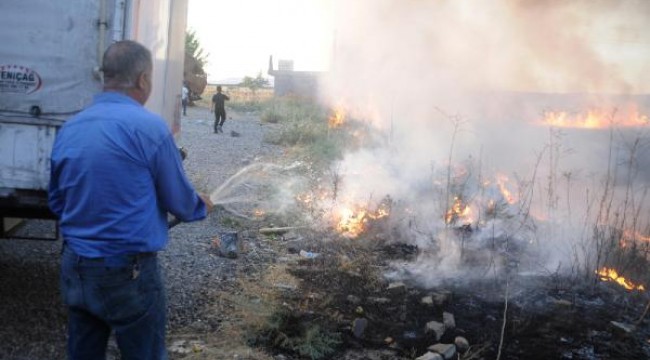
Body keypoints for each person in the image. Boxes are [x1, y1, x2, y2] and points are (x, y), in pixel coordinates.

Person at [48, 40, 214, 360]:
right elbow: (180, 202)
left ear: (105, 77)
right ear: (142, 80)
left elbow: (57, 201)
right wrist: (200, 206)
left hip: (75, 266)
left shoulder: (70, 127)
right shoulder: (150, 128)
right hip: (127, 273)